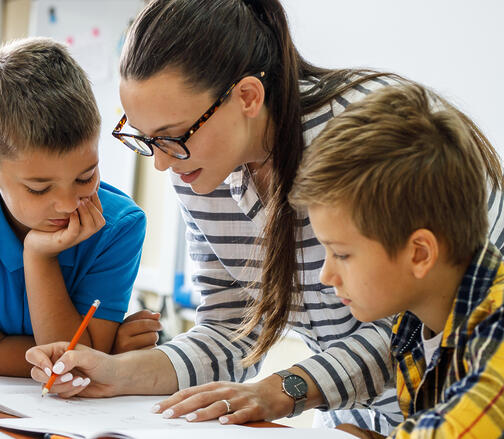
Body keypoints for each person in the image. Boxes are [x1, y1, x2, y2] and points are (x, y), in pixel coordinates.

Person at [25, 0, 504, 433]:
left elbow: (419, 318)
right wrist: (116, 374)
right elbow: (232, 329)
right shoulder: (198, 166)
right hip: (367, 417)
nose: (163, 163)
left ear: (248, 97)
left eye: (172, 136)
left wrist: (282, 390)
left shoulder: (366, 142)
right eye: (146, 138)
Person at [0, 37, 152, 377]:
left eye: (85, 177)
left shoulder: (119, 226)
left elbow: (78, 362)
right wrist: (105, 352)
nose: (67, 203)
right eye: (39, 188)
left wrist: (38, 257)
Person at [289, 83, 504, 438]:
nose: (326, 275)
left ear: (419, 253)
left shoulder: (496, 326)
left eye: (341, 254)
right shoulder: (411, 328)